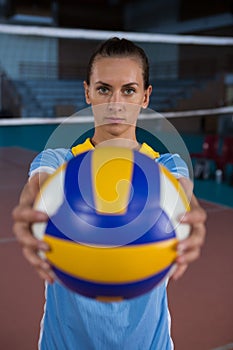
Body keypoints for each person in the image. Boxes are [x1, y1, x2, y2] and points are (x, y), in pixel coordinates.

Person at [12, 37, 206, 350]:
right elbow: (36, 188)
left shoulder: (166, 168)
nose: (115, 102)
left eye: (128, 90)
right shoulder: (60, 163)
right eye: (104, 89)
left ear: (145, 96)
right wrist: (29, 210)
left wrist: (192, 216)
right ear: (87, 92)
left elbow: (185, 196)